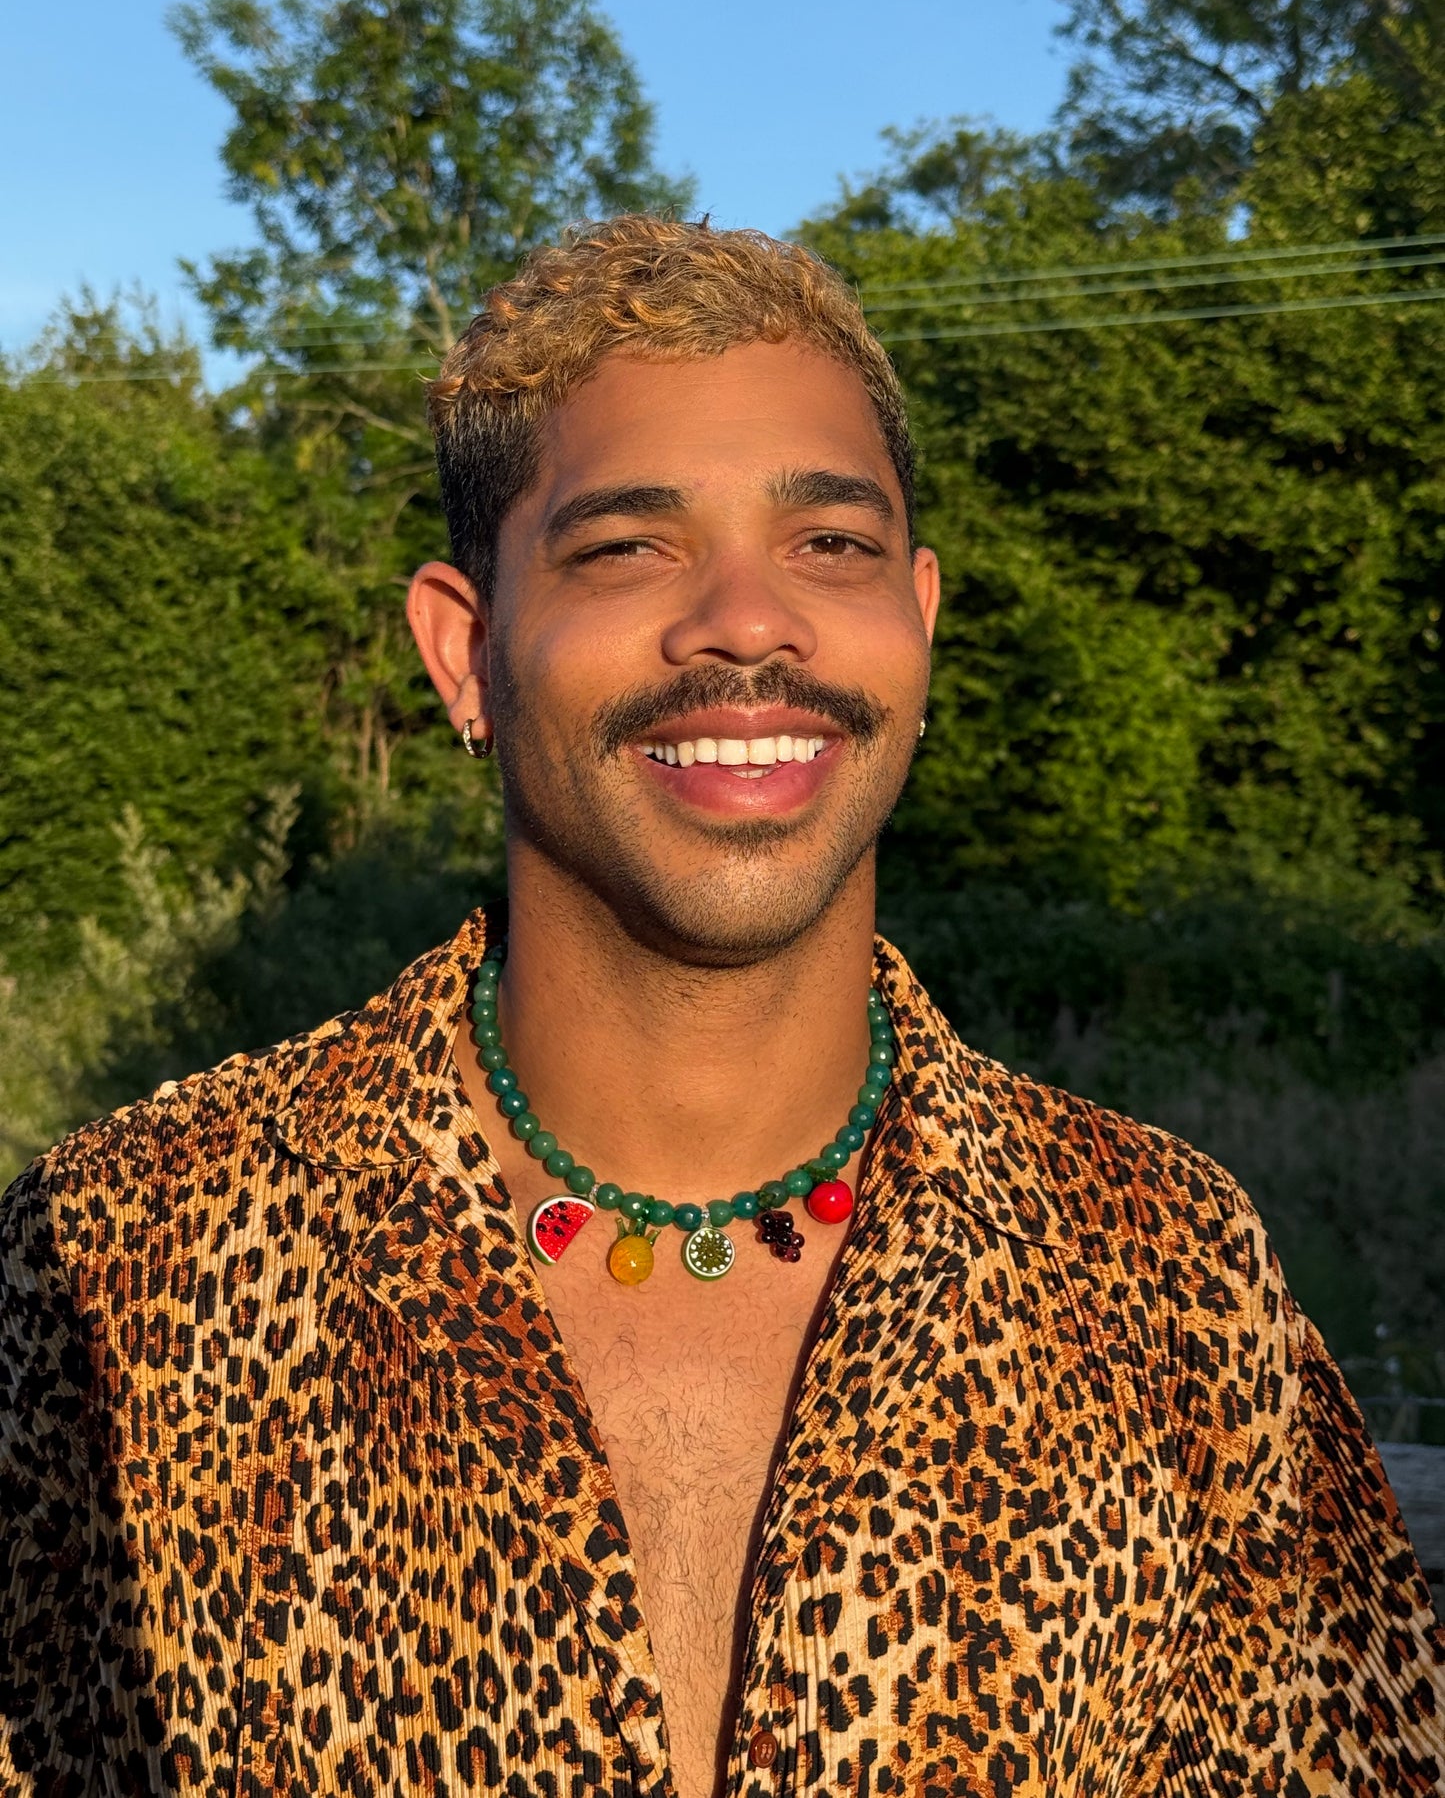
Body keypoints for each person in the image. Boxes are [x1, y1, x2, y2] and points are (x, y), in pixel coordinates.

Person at [1, 216, 1441, 1798]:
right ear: (465, 650)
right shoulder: (120, 1268)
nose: (749, 622)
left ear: (921, 619)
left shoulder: (1168, 1277)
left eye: (831, 543)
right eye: (628, 546)